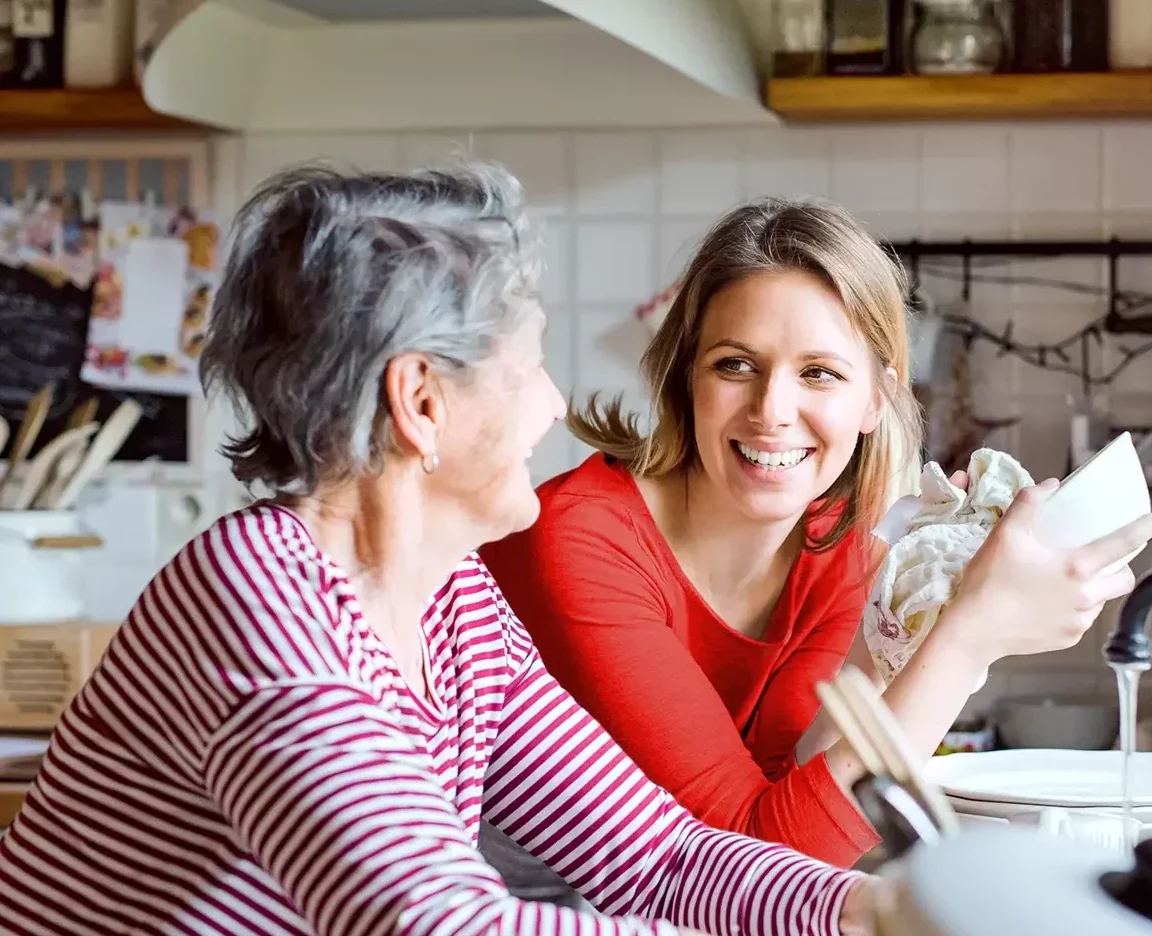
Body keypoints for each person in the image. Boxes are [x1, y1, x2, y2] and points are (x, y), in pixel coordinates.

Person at [0, 164, 876, 936]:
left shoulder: (454, 603)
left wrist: (871, 913)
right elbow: (435, 923)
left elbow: (658, 858)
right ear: (421, 401)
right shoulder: (259, 598)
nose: (552, 400)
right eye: (528, 364)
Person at [480, 198, 1152, 868]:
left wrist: (914, 624)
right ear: (686, 380)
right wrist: (970, 637)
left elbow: (798, 801)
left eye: (818, 374)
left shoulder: (840, 546)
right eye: (734, 365)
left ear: (875, 398)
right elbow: (749, 865)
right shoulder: (577, 541)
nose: (771, 410)